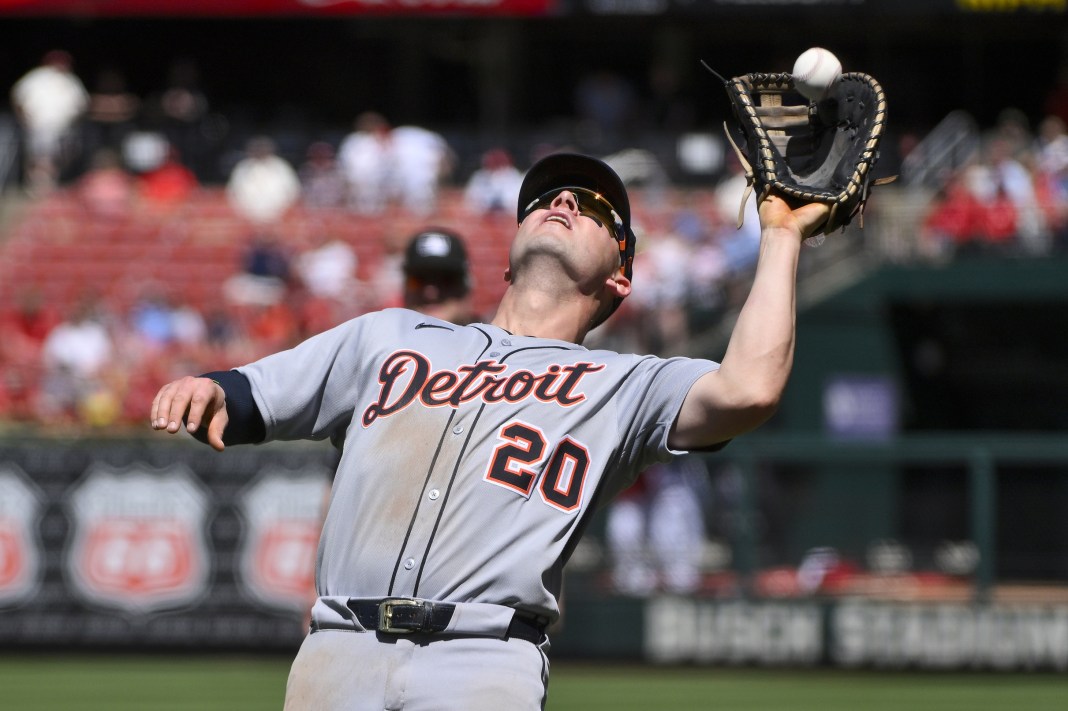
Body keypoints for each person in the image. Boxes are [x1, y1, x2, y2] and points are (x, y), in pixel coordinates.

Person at [149, 152, 828, 710]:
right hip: (338, 648)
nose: (563, 203)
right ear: (506, 255)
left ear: (621, 276)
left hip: (481, 660)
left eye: (593, 209)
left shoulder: (620, 385)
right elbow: (252, 394)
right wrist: (210, 386)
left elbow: (748, 388)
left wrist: (780, 235)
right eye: (547, 199)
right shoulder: (392, 334)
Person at [9, 49, 89, 194]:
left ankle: (53, 185)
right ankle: (37, 188)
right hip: (38, 126)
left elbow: (82, 104)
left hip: (64, 129)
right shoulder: (35, 77)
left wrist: (73, 122)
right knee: (39, 158)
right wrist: (24, 120)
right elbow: (17, 98)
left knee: (59, 159)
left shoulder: (71, 80)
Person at [400, 228, 476, 325]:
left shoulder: (491, 338)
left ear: (467, 287)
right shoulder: (384, 338)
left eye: (446, 280)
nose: (431, 294)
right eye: (419, 280)